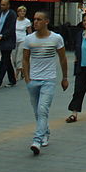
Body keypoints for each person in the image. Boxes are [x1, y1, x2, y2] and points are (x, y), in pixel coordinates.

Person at [22, 10, 68, 155]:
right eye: (34, 19)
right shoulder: (29, 39)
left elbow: (63, 58)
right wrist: (27, 78)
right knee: (37, 111)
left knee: (43, 109)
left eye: (39, 19)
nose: (35, 22)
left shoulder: (56, 38)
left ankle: (37, 140)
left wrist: (65, 78)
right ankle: (45, 132)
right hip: (33, 80)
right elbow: (25, 59)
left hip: (48, 80)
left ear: (46, 21)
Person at [13, 6, 32, 82]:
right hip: (14, 40)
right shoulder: (14, 20)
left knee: (19, 58)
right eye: (21, 11)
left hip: (23, 40)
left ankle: (16, 75)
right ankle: (22, 70)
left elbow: (29, 32)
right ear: (18, 12)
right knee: (13, 57)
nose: (22, 13)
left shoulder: (27, 21)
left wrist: (30, 41)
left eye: (24, 11)